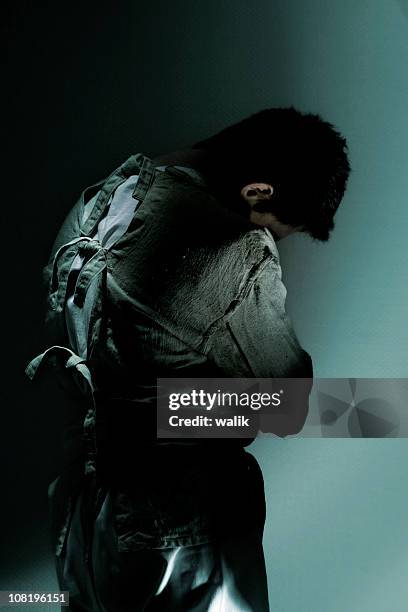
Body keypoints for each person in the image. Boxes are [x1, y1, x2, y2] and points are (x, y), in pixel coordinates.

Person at [26, 107, 350, 611]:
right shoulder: (232, 245)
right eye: (278, 230)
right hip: (179, 532)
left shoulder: (102, 200)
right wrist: (178, 410)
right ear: (257, 192)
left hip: (82, 519)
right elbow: (289, 405)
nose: (272, 242)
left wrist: (144, 409)